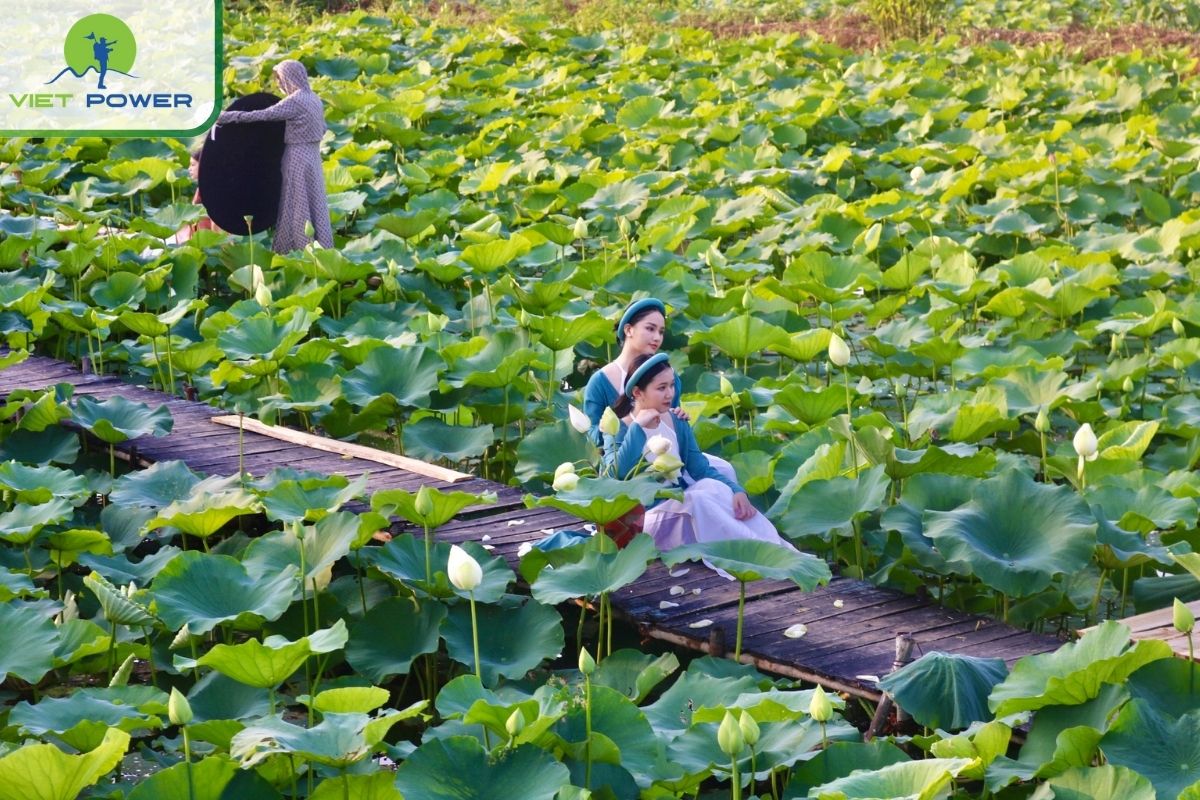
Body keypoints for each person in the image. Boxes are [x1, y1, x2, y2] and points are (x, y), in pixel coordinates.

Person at [603, 353, 795, 556]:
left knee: (713, 487)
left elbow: (699, 468)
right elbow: (616, 475)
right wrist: (638, 427)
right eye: (661, 388)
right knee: (698, 501)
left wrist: (737, 490)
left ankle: (773, 548)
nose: (670, 394)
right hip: (644, 522)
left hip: (679, 507)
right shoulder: (618, 428)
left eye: (671, 385)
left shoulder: (676, 421)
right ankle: (754, 553)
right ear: (638, 392)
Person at [583, 297, 736, 481]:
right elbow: (591, 434)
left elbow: (667, 416)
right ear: (628, 329)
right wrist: (623, 426)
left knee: (725, 469)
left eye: (661, 331)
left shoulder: (668, 376)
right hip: (623, 463)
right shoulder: (600, 381)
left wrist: (676, 414)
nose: (657, 337)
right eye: (650, 328)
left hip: (665, 452)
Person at [215, 59, 334, 254]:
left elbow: (264, 115)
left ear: (289, 78)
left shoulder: (296, 100)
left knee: (296, 203)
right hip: (312, 158)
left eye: (280, 79)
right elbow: (322, 128)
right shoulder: (314, 98)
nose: (279, 84)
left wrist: (227, 117)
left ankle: (298, 249)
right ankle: (322, 247)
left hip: (296, 157)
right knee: (314, 200)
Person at [173, 146, 220, 244]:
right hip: (192, 237)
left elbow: (216, 223)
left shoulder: (213, 191)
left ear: (204, 165)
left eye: (193, 165)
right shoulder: (203, 187)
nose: (189, 169)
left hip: (205, 241)